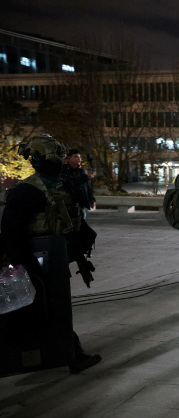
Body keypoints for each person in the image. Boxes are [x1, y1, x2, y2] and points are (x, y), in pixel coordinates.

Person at [1, 135, 101, 374]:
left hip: (54, 261)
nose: (58, 164)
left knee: (56, 308)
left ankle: (68, 353)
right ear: (38, 161)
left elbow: (70, 223)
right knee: (47, 309)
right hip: (35, 263)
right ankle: (67, 354)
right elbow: (11, 233)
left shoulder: (61, 185)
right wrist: (25, 268)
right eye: (53, 159)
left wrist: (80, 254)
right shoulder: (26, 191)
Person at [62, 148, 96, 218]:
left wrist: (91, 199)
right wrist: (85, 178)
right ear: (69, 158)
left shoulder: (80, 171)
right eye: (75, 157)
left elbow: (87, 186)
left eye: (80, 157)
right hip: (70, 206)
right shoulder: (64, 170)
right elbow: (70, 184)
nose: (79, 159)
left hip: (81, 206)